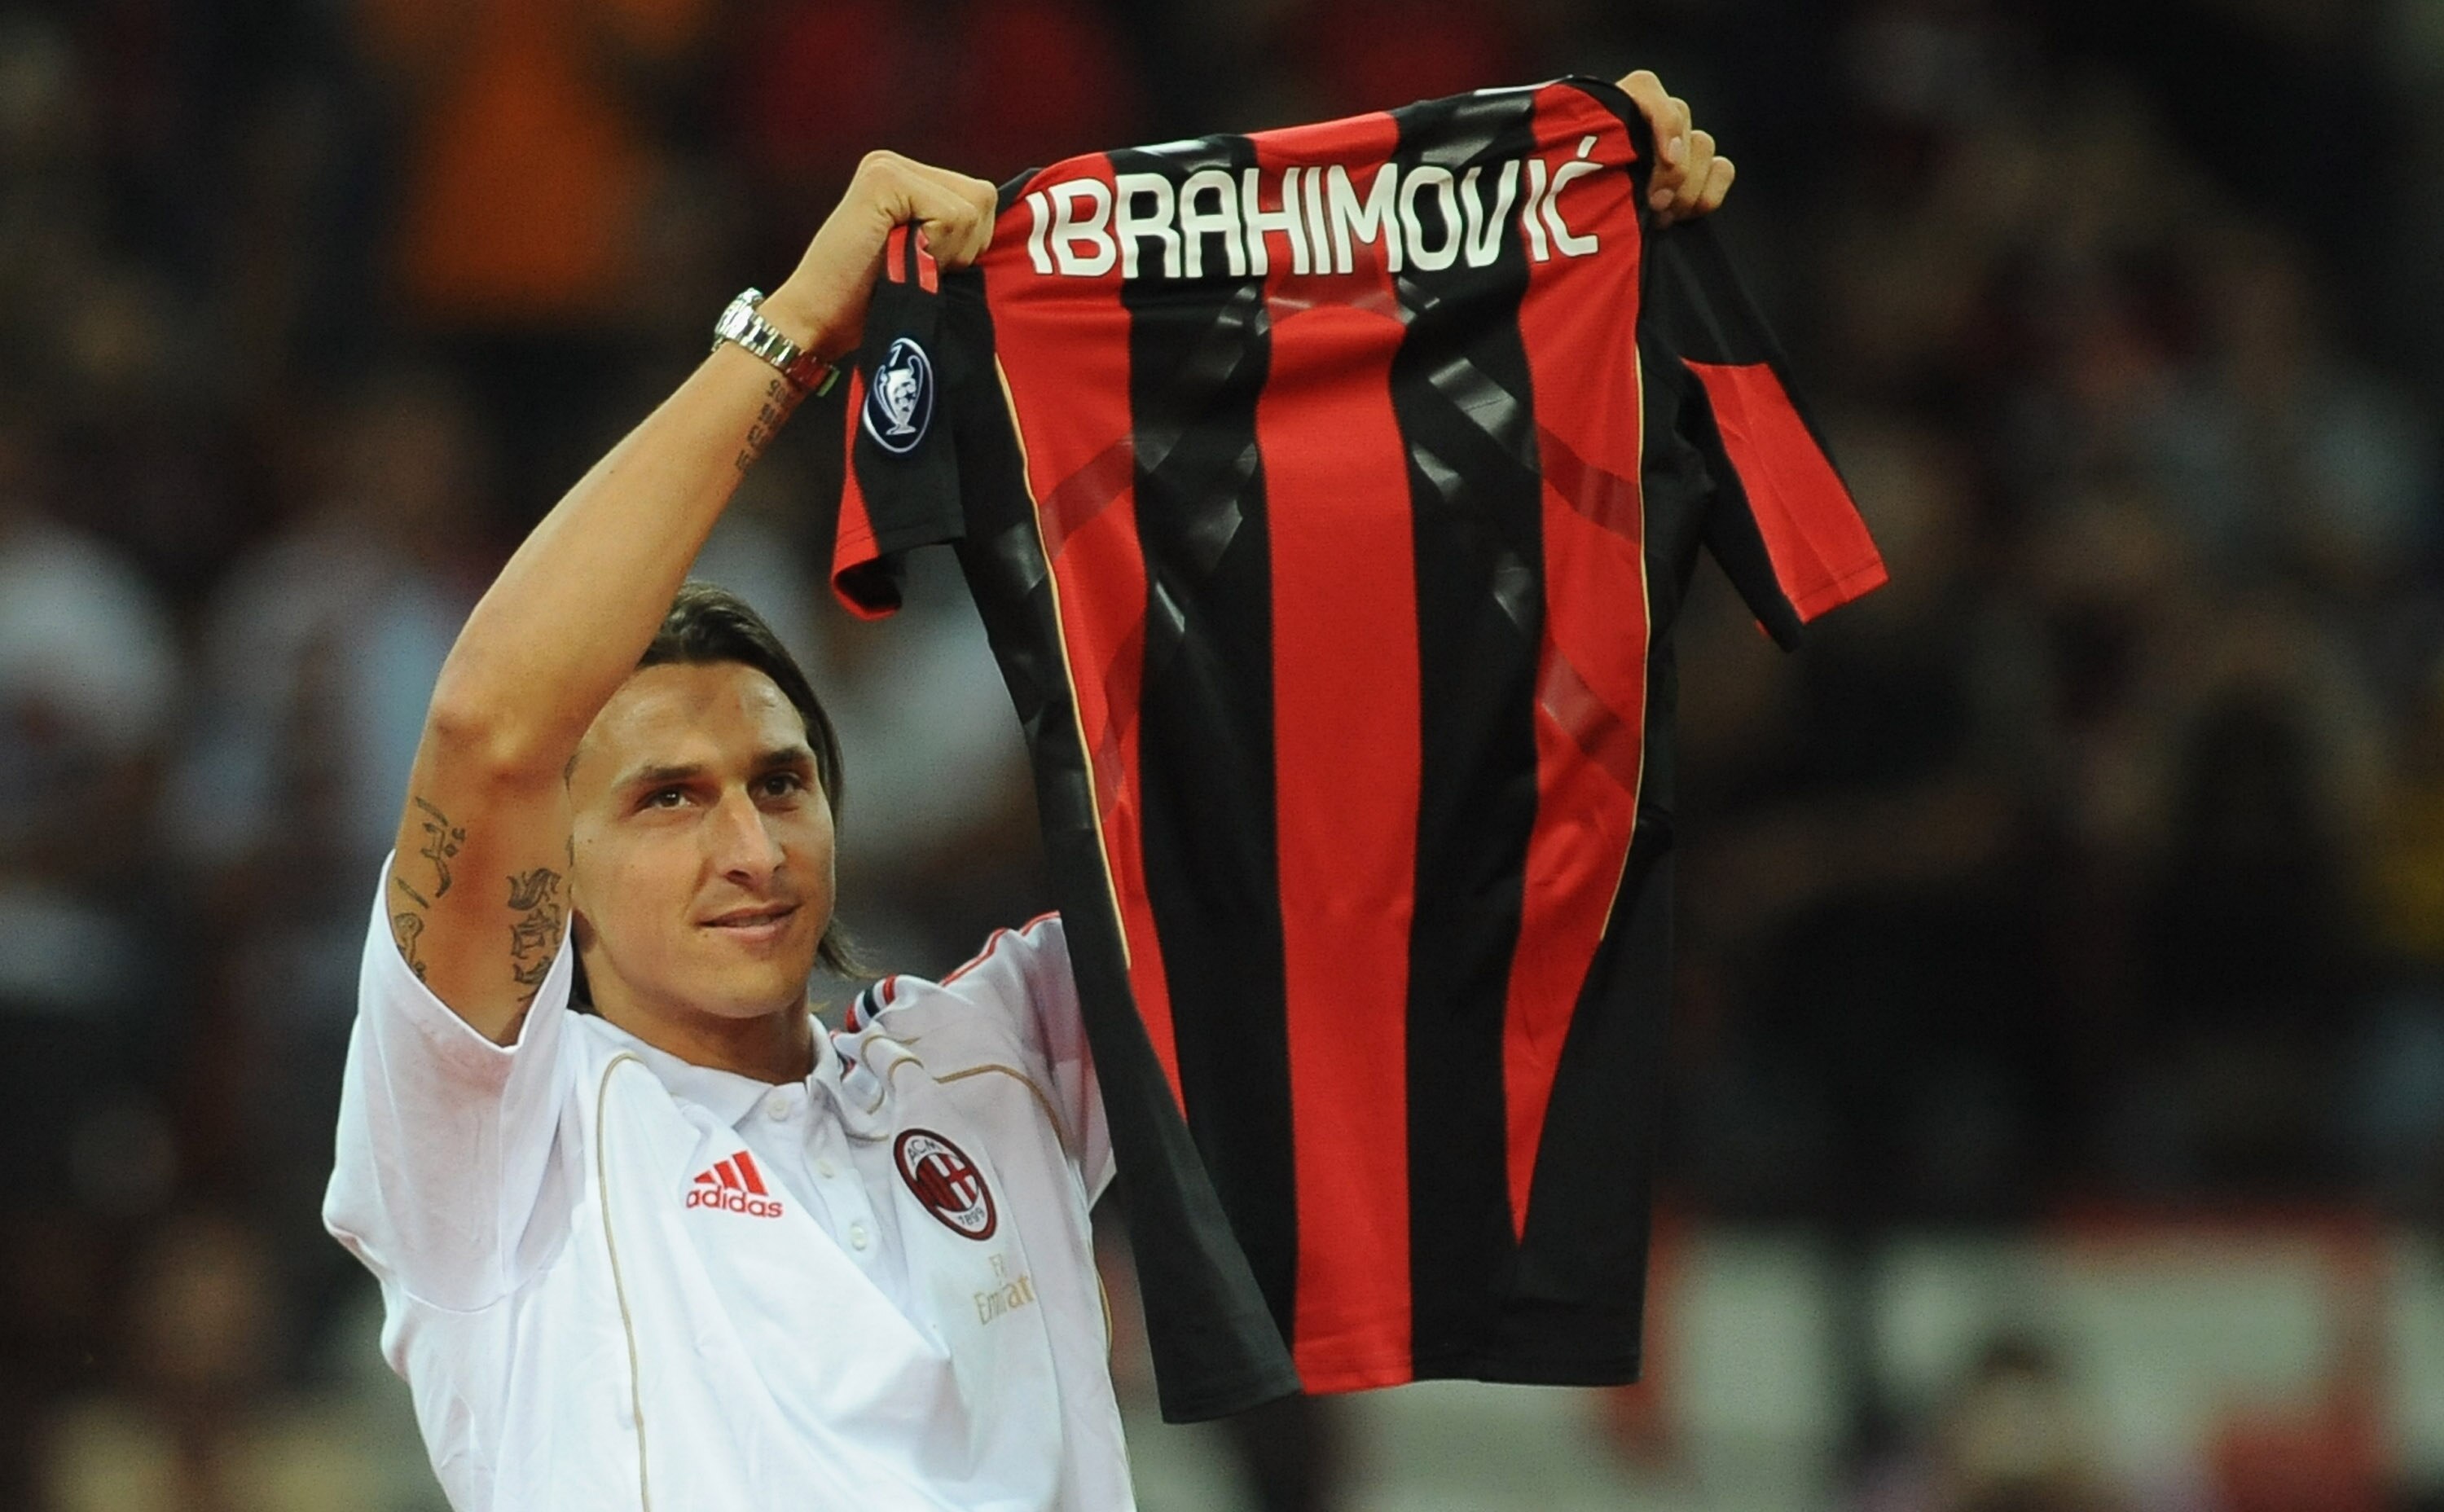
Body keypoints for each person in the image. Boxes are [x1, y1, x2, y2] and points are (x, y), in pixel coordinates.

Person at [324, 69, 1734, 1510]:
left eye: (781, 781)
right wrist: (801, 330)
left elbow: (1348, 770)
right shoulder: (498, 1139)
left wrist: (1537, 242)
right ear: (552, 866)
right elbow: (492, 727)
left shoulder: (986, 1054)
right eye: (667, 800)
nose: (750, 845)